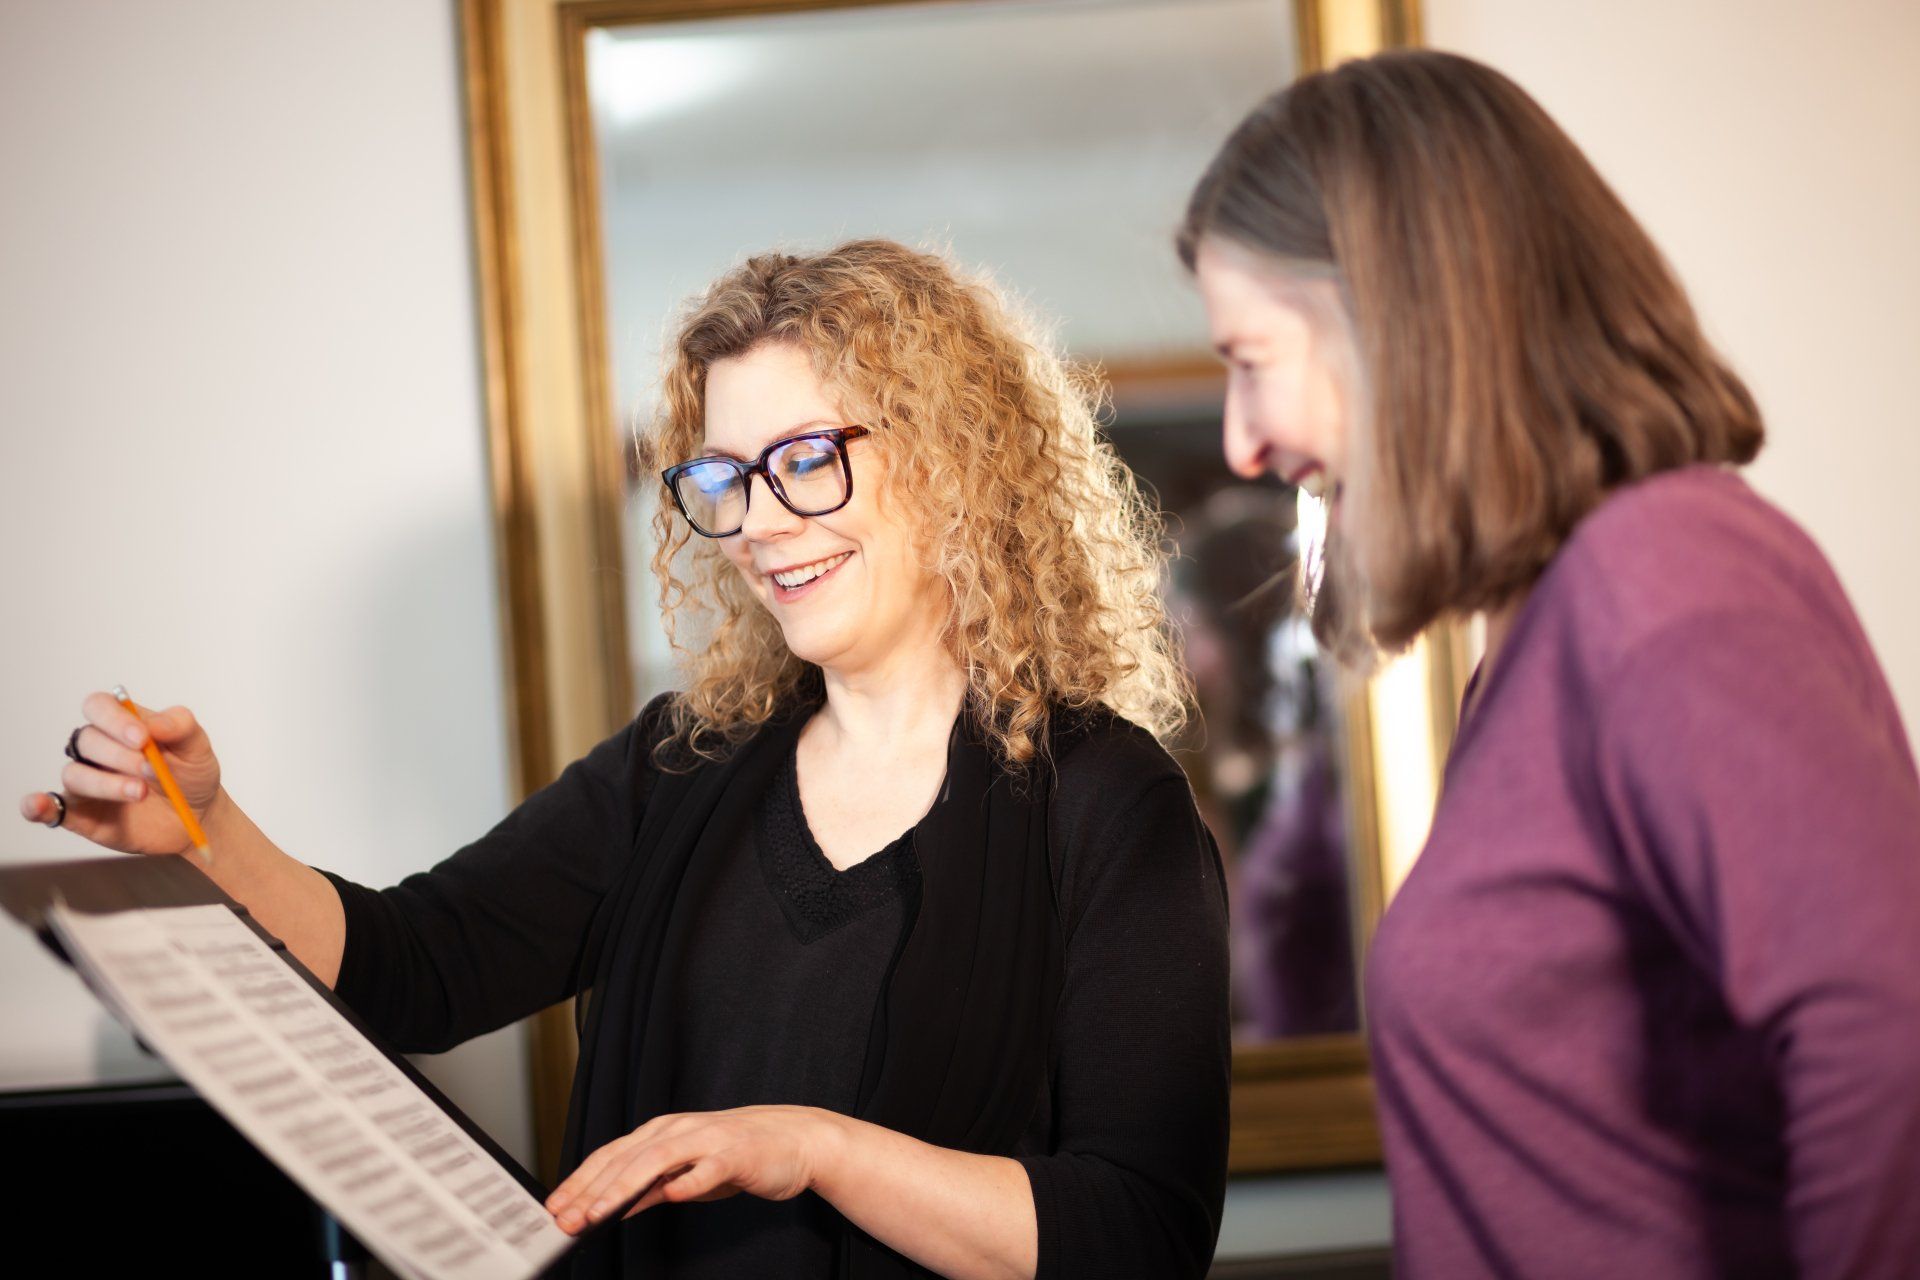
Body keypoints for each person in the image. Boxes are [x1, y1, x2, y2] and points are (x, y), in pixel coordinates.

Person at [22, 239, 1230, 1279]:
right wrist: (209, 832)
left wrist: (813, 1147)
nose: (757, 521)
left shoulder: (1110, 804)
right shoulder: (676, 770)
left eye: (807, 458)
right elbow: (414, 967)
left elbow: (1136, 1229)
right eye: (725, 476)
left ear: (956, 460)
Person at [1176, 49, 1920, 1279]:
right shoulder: (1532, 640)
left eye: (1250, 361)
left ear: (1400, 319)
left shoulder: (1662, 573)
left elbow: (1887, 1029)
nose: (1242, 441)